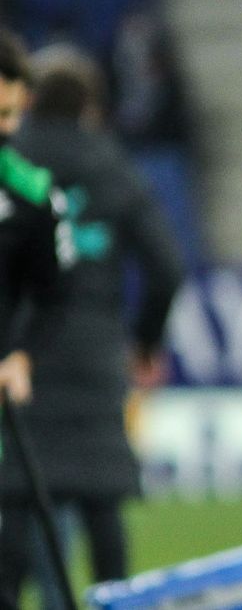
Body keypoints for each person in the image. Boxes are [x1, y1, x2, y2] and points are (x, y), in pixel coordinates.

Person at [0, 50, 185, 609]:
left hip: (22, 351)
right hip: (97, 352)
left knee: (19, 498)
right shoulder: (114, 166)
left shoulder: (18, 163)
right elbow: (166, 269)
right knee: (102, 500)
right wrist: (146, 342)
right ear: (94, 110)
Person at [0, 33, 77, 610]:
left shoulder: (30, 193)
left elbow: (53, 295)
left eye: (8, 113)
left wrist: (21, 353)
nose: (2, 127)